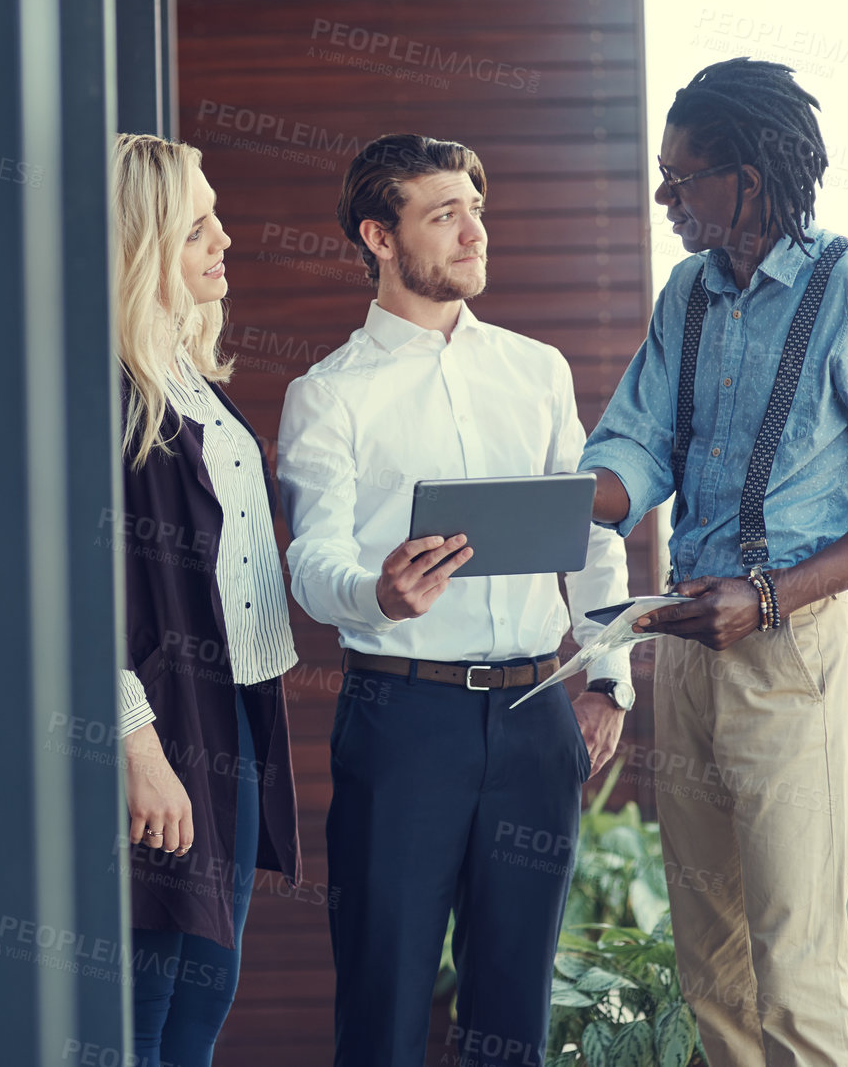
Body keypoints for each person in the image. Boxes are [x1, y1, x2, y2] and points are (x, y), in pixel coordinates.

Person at [579, 58, 848, 1066]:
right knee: (711, 970)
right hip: (687, 657)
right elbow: (635, 448)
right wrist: (549, 506)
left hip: (792, 654)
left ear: (747, 179)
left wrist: (767, 595)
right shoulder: (687, 295)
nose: (663, 198)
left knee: (794, 972)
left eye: (680, 178)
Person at [277, 132, 635, 1067]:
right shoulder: (328, 396)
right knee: (384, 1006)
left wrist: (607, 683)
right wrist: (377, 593)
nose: (474, 231)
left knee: (511, 1015)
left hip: (532, 718)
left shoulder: (536, 370)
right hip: (402, 722)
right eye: (445, 214)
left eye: (476, 208)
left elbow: (592, 535)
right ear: (379, 237)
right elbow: (309, 563)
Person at [110, 132, 304, 1067]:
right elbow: (75, 592)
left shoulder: (184, 376)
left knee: (203, 989)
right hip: (158, 721)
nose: (225, 239)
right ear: (141, 247)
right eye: (197, 228)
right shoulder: (107, 394)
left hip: (228, 706)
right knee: (146, 1000)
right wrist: (138, 746)